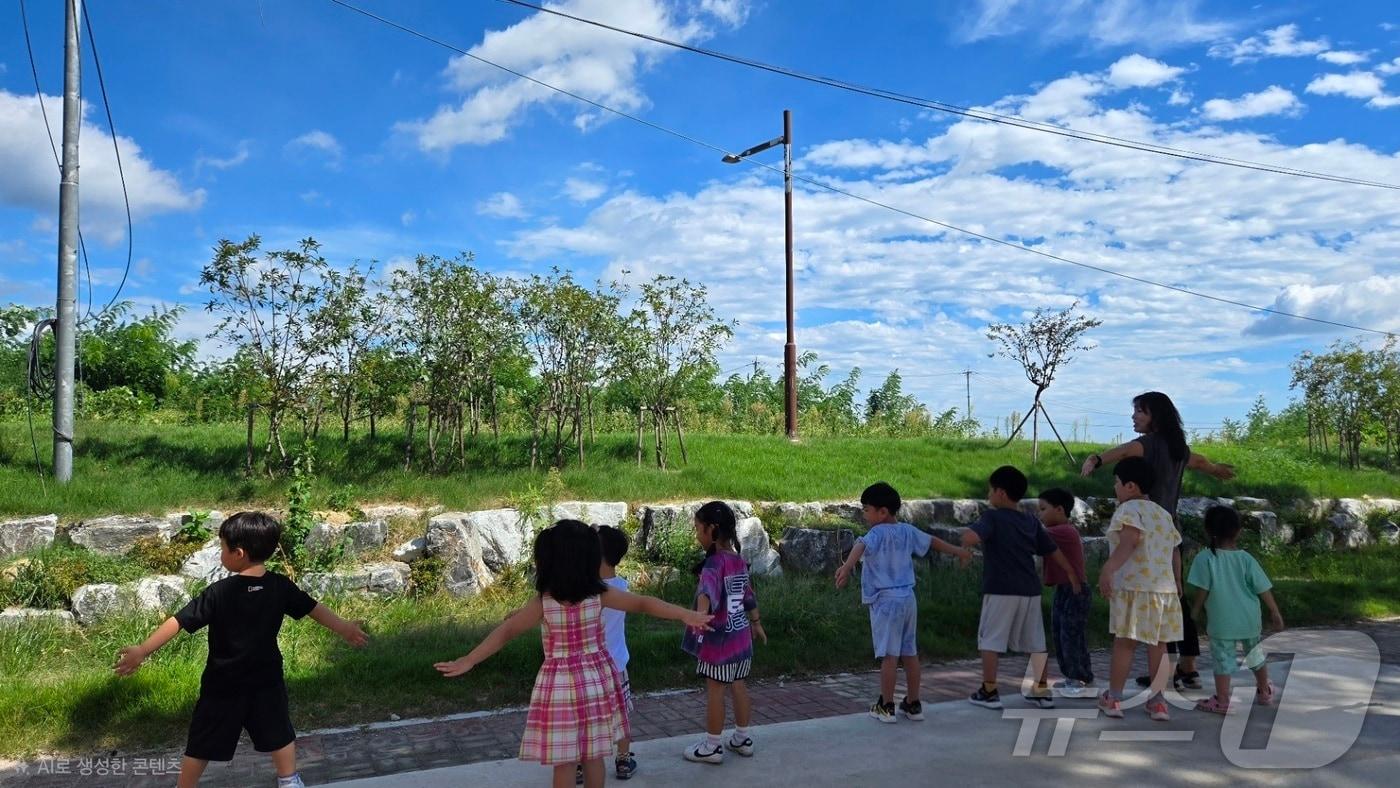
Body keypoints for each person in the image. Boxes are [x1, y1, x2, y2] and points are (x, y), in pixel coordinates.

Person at [436, 520, 711, 788]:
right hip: (597, 680)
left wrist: (469, 659)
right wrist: (685, 614)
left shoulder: (544, 601)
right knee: (594, 756)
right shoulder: (600, 593)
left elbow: (507, 631)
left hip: (559, 686)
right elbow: (643, 603)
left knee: (564, 762)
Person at [113, 512, 369, 788]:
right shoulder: (280, 586)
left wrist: (143, 650)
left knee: (202, 741)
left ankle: (185, 786)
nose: (221, 553)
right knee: (279, 732)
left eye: (222, 548)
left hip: (222, 683)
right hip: (266, 680)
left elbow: (180, 621)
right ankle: (289, 779)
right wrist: (343, 627)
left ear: (238, 553)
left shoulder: (219, 592)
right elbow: (313, 609)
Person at [1081, 391, 1234, 690]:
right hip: (1168, 531)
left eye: (1140, 411)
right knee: (1173, 599)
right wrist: (1217, 470)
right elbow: (1200, 462)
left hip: (1144, 529)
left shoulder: (1148, 445)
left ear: (1155, 416)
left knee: (1137, 623)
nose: (1134, 416)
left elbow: (1125, 452)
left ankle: (1149, 679)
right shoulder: (1179, 448)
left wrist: (1096, 459)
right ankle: (1185, 669)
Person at [835, 482, 973, 723]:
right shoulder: (908, 531)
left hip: (886, 601)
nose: (864, 514)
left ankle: (886, 706)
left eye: (866, 509)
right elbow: (932, 542)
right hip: (908, 599)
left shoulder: (876, 533)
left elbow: (861, 545)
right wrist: (959, 552)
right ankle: (913, 703)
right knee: (910, 652)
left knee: (889, 655)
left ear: (883, 512)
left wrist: (846, 567)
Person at [962, 466, 1081, 711]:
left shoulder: (992, 517)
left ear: (1001, 493)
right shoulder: (1030, 520)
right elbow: (1051, 550)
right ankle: (1040, 690)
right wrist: (1070, 572)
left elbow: (972, 537)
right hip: (1030, 590)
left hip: (1000, 589)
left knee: (990, 640)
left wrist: (964, 545)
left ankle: (989, 690)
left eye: (990, 490)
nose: (988, 495)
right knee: (1035, 641)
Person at [681, 501, 767, 765]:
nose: (697, 535)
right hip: (741, 639)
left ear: (711, 529)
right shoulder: (738, 561)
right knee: (739, 685)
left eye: (698, 528)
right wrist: (756, 623)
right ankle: (742, 738)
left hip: (719, 642)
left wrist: (700, 617)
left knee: (716, 690)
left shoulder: (713, 564)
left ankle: (712, 746)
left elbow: (706, 592)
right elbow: (748, 596)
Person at [1097, 457, 1182, 722]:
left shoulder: (1127, 510)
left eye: (1117, 483)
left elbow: (1130, 541)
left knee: (1125, 644)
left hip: (1134, 588)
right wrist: (1178, 581)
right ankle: (1158, 702)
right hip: (1163, 590)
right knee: (1159, 645)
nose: (1115, 488)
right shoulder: (1163, 514)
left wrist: (1108, 569)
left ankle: (1114, 698)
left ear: (1130, 486)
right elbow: (1175, 550)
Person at [1188, 506, 1285, 714]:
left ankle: (1222, 700)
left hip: (1222, 620)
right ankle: (1264, 690)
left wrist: (1194, 612)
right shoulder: (1246, 559)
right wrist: (1274, 611)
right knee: (1254, 653)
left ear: (1208, 530)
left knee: (1223, 659)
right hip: (1248, 618)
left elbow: (1202, 591)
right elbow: (1263, 588)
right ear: (1238, 531)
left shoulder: (1205, 559)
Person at [1035, 487, 1095, 699]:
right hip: (1064, 590)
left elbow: (1034, 536)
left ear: (1059, 510)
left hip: (1075, 591)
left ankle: (1077, 677)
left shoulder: (1062, 532)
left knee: (1070, 635)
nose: (1039, 514)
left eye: (1043, 509)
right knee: (1062, 633)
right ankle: (1077, 675)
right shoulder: (1057, 531)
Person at [595, 525, 638, 781]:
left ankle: (581, 762)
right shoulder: (622, 586)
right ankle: (623, 759)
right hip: (617, 664)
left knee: (587, 717)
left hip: (591, 666)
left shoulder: (586, 591)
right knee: (620, 715)